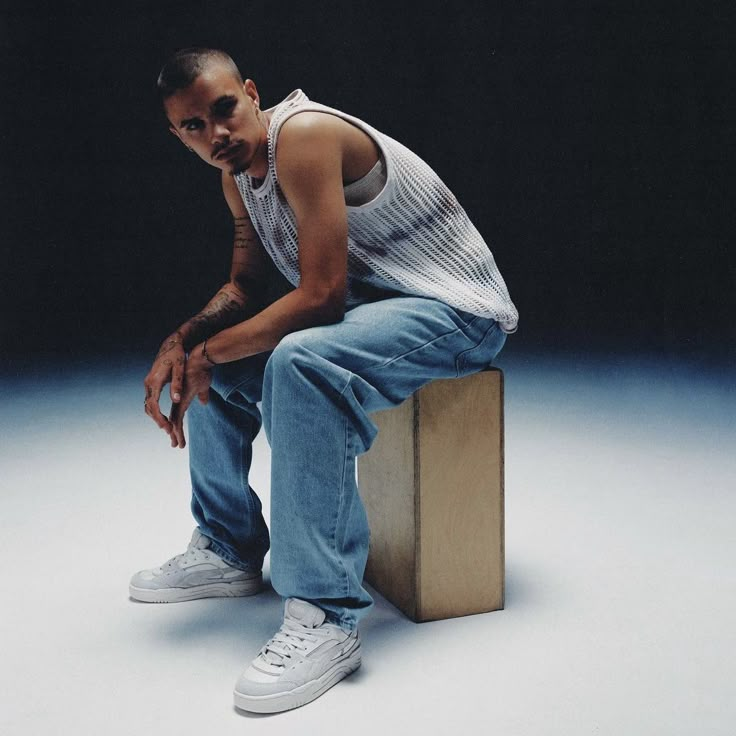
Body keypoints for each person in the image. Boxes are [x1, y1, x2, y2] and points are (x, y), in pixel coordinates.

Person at [133, 47, 519, 714]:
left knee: (300, 362)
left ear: (251, 93)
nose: (216, 134)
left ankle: (328, 614)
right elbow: (246, 285)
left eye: (224, 109)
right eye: (194, 127)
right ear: (178, 136)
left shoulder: (304, 137)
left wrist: (209, 350)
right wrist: (185, 341)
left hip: (457, 313)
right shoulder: (238, 174)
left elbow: (320, 298)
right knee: (220, 368)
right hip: (380, 315)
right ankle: (229, 545)